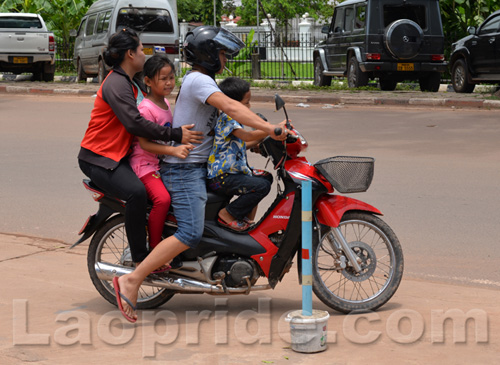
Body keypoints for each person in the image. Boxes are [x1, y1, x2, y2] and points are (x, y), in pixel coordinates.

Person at [114, 26, 287, 323]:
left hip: (195, 167)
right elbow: (231, 107)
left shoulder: (203, 81)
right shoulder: (198, 81)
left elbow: (231, 121)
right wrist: (270, 128)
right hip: (183, 170)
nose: (224, 59)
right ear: (208, 55)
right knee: (190, 232)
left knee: (254, 181)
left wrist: (264, 136)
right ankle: (133, 279)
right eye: (220, 53)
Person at [78, 28, 203, 267]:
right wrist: (176, 135)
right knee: (137, 193)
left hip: (116, 157)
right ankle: (141, 258)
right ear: (130, 54)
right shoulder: (115, 83)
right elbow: (135, 123)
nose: (144, 53)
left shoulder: (128, 82)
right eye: (140, 48)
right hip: (98, 159)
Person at [129, 54, 194, 252]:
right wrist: (173, 150)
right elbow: (145, 144)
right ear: (148, 81)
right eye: (163, 78)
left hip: (158, 163)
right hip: (144, 165)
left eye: (171, 77)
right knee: (163, 200)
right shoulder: (146, 109)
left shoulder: (164, 103)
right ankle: (155, 248)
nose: (169, 83)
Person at [207, 77, 274, 231]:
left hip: (231, 172)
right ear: (233, 104)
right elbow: (246, 136)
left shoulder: (234, 119)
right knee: (261, 186)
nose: (249, 107)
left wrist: (260, 143)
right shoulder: (228, 118)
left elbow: (242, 144)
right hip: (222, 177)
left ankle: (246, 219)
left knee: (266, 177)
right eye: (246, 103)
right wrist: (272, 129)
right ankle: (228, 214)